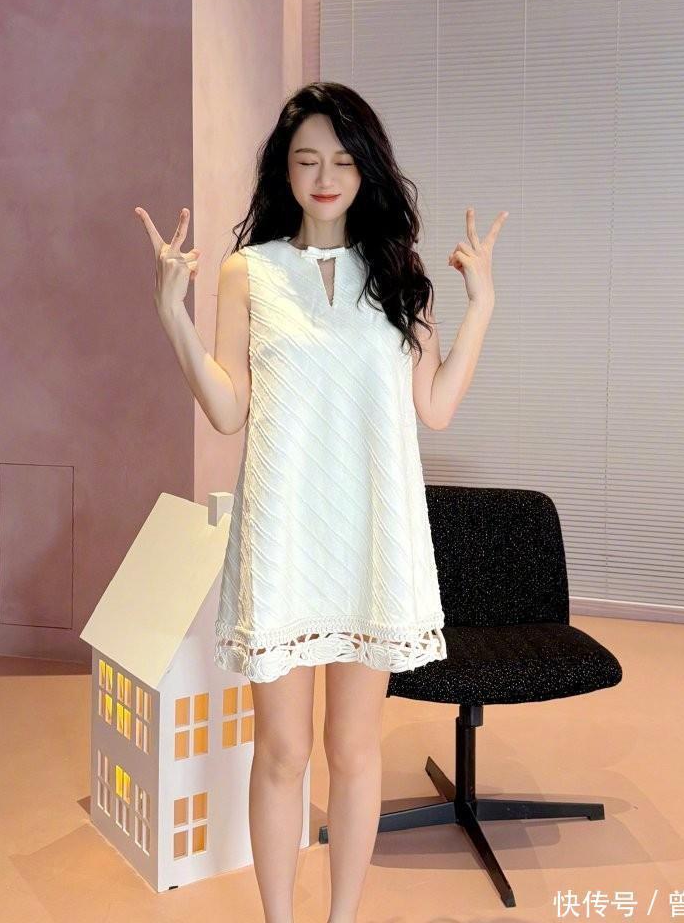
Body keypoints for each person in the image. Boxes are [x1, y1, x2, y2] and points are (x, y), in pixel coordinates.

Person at [135, 81, 506, 923]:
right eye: (307, 161)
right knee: (282, 750)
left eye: (341, 160)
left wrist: (482, 304)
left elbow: (436, 406)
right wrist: (171, 316)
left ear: (366, 168)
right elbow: (228, 408)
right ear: (285, 171)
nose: (325, 177)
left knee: (355, 750)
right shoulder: (250, 273)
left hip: (374, 537)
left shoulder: (401, 278)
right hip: (285, 537)